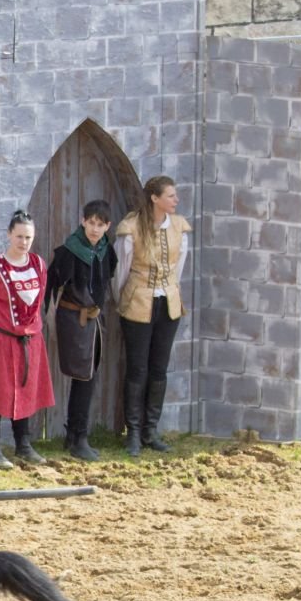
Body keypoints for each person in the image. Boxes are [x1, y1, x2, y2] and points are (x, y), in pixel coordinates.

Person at [112, 175, 191, 456]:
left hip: (168, 303)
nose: (176, 200)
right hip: (138, 302)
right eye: (170, 196)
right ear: (155, 198)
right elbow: (121, 271)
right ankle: (133, 432)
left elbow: (178, 268)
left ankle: (150, 430)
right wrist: (122, 300)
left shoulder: (179, 227)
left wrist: (168, 290)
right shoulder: (131, 227)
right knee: (137, 368)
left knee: (159, 367)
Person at [0, 210, 52, 469]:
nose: (23, 242)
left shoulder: (38, 265)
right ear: (9, 235)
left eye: (28, 237)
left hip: (30, 341)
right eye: (19, 236)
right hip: (0, 339)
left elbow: (39, 300)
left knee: (25, 391)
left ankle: (23, 444)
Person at [46, 200, 117, 462]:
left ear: (107, 226)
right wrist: (48, 320)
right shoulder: (69, 252)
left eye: (100, 224)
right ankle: (78, 437)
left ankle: (75, 436)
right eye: (91, 223)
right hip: (73, 319)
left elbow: (106, 280)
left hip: (94, 320)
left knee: (88, 376)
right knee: (84, 376)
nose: (95, 229)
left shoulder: (106, 251)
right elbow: (50, 287)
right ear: (83, 221)